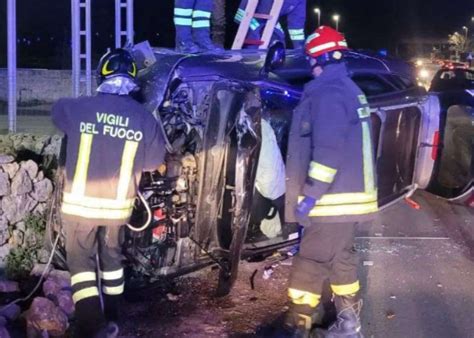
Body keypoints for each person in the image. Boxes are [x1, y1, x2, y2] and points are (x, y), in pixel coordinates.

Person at [51, 48, 166, 338]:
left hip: (80, 208)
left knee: (81, 264)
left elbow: (56, 113)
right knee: (112, 260)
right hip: (118, 209)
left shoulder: (77, 108)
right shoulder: (145, 118)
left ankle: (92, 326)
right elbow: (154, 162)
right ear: (132, 78)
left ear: (102, 74)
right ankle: (114, 317)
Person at [281, 26, 379, 337]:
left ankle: (300, 325)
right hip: (345, 203)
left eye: (312, 59)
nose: (311, 66)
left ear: (320, 57)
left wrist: (310, 196)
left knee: (309, 264)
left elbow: (327, 152)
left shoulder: (329, 93)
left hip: (329, 203)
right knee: (341, 261)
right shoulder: (346, 89)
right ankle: (349, 325)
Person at [235, 0, 306, 49]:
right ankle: (252, 65)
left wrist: (299, 48)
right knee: (255, 38)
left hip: (272, 18)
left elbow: (296, 24)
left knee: (279, 39)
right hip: (251, 16)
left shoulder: (300, 1)